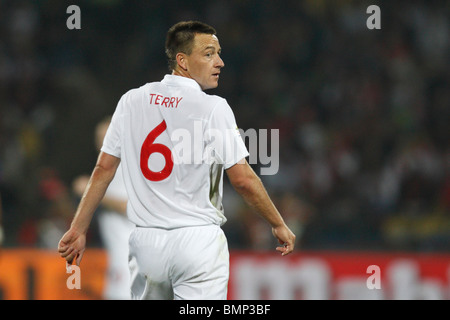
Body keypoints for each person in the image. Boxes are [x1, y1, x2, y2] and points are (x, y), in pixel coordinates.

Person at [58, 21, 295, 300]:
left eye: (218, 53)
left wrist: (78, 228)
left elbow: (104, 168)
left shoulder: (131, 101)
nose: (219, 62)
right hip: (197, 242)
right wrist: (277, 222)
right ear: (182, 61)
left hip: (145, 245)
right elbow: (242, 180)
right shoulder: (213, 108)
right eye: (208, 54)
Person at [71, 117, 134, 300]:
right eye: (99, 138)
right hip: (117, 257)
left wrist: (91, 192)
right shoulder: (108, 169)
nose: (101, 144)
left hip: (131, 258)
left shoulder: (128, 169)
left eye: (107, 137)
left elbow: (131, 207)